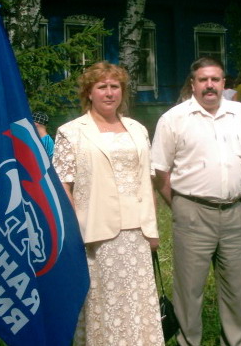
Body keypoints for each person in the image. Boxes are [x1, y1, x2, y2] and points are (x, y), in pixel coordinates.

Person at [151, 57, 241, 346]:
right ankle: (189, 342)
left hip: (235, 213)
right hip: (192, 213)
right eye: (203, 80)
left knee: (235, 289)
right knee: (189, 292)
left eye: (215, 79)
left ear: (224, 83)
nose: (210, 85)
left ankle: (236, 342)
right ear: (193, 84)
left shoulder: (240, 113)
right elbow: (160, 172)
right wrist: (180, 205)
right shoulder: (174, 119)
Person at [53, 61, 164, 346]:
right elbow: (62, 184)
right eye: (102, 86)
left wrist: (152, 228)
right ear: (89, 92)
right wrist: (74, 228)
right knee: (105, 303)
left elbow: (146, 179)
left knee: (137, 301)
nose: (109, 92)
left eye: (115, 86)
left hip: (137, 232)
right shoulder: (71, 132)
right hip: (96, 234)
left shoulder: (138, 130)